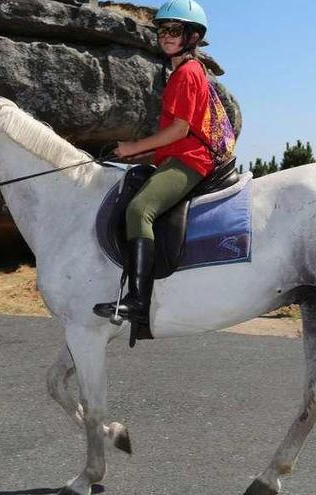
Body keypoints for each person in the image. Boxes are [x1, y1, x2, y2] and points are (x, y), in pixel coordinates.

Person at [93, 0, 214, 325]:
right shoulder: (182, 71)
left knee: (139, 209)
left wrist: (133, 147)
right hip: (176, 156)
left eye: (175, 30)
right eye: (162, 30)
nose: (166, 36)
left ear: (192, 36)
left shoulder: (187, 74)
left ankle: (138, 302)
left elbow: (179, 130)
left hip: (188, 160)